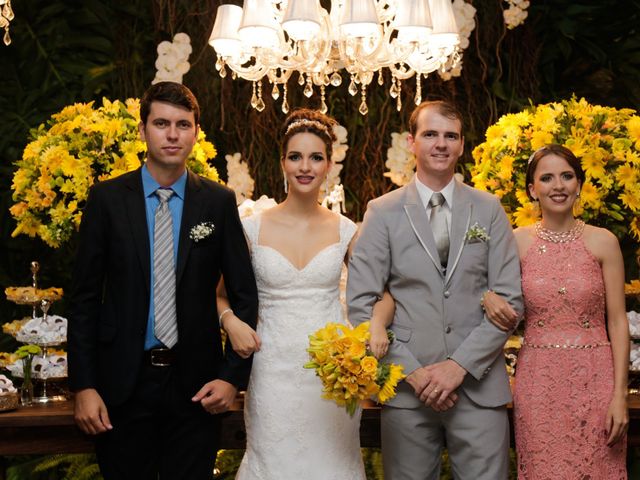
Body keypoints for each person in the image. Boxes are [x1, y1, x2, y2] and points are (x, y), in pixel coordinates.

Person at [67, 82, 258, 479]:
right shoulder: (106, 200)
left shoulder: (218, 202)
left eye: (183, 125)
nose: (172, 134)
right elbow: (84, 299)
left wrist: (230, 378)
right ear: (143, 130)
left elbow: (245, 295)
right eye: (161, 123)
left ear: (195, 132)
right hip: (121, 387)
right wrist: (83, 387)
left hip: (197, 389)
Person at [347, 99, 524, 480]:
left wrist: (457, 367)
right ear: (412, 142)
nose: (440, 144)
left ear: (462, 145)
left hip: (478, 386)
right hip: (408, 389)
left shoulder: (489, 208)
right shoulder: (382, 211)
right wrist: (414, 374)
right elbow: (362, 303)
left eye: (450, 136)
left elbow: (510, 302)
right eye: (430, 134)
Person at [216, 108, 394, 479]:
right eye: (295, 156)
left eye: (316, 157)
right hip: (271, 371)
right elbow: (217, 295)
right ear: (282, 162)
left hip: (331, 375)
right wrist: (230, 321)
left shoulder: (346, 230)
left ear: (329, 165)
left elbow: (385, 294)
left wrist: (376, 325)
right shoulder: (250, 229)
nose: (305, 166)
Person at [482, 144, 628, 479]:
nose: (558, 185)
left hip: (596, 381)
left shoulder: (604, 242)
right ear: (533, 189)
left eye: (566, 176)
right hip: (538, 382)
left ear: (579, 183)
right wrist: (486, 296)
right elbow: (482, 291)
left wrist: (618, 395)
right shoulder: (514, 242)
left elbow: (618, 322)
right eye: (546, 178)